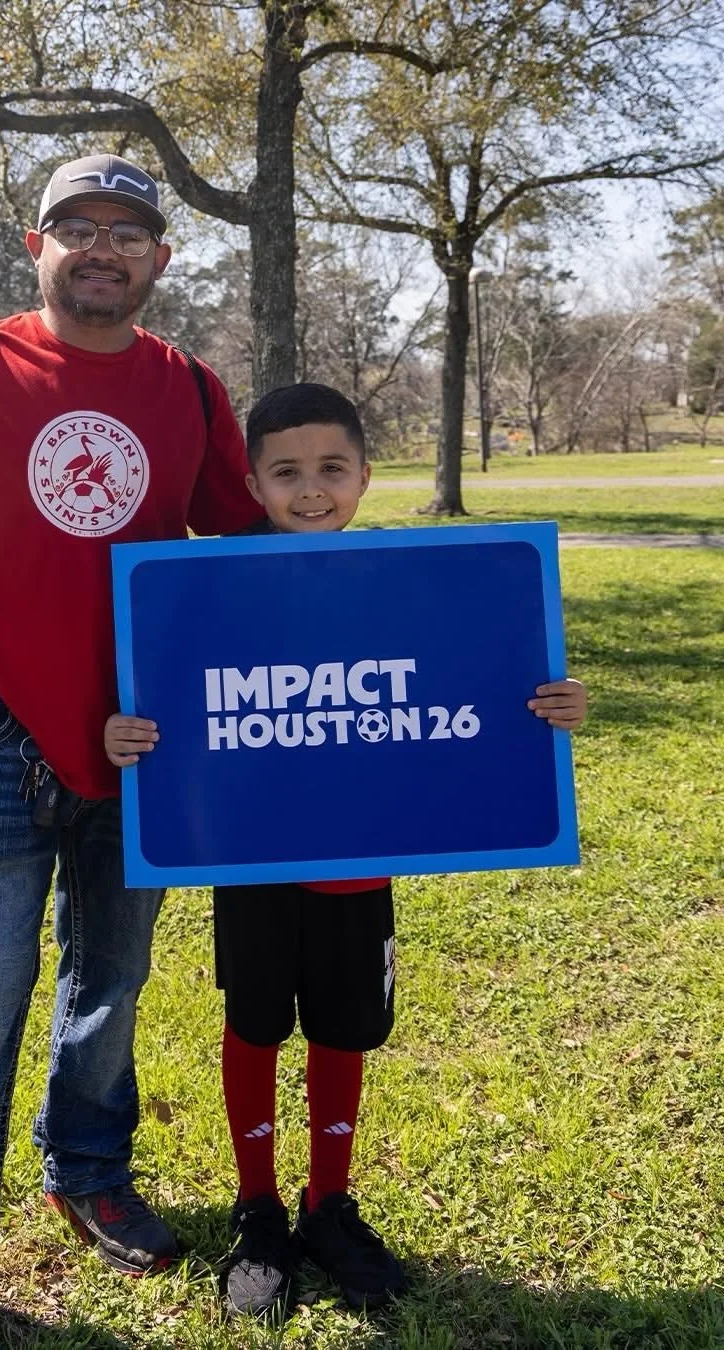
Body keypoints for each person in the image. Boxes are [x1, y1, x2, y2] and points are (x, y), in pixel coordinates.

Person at [0, 153, 262, 1350]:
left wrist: (453, 634)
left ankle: (86, 1169)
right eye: (75, 226)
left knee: (115, 978)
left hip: (144, 738)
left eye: (126, 231)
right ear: (35, 246)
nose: (101, 247)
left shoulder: (188, 387)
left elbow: (252, 557)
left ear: (160, 261)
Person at [104, 382, 588, 1319]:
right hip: (251, 861)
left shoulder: (401, 583)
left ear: (366, 476)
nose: (312, 490)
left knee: (342, 1027)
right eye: (287, 473)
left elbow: (483, 682)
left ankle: (331, 1203)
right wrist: (128, 735)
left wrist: (555, 707)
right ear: (253, 483)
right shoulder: (212, 585)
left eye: (332, 469)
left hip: (359, 864)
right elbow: (165, 702)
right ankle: (260, 1209)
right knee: (253, 1024)